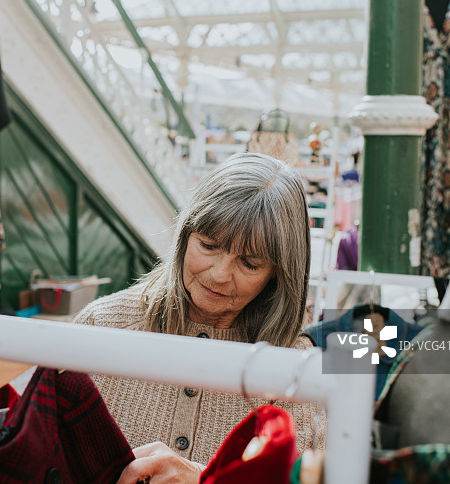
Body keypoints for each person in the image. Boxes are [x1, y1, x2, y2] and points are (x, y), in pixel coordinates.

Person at [74, 152, 325, 484]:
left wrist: (204, 478)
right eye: (208, 246)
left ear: (278, 274)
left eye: (249, 264)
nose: (219, 274)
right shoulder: (100, 326)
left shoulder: (299, 370)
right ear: (185, 235)